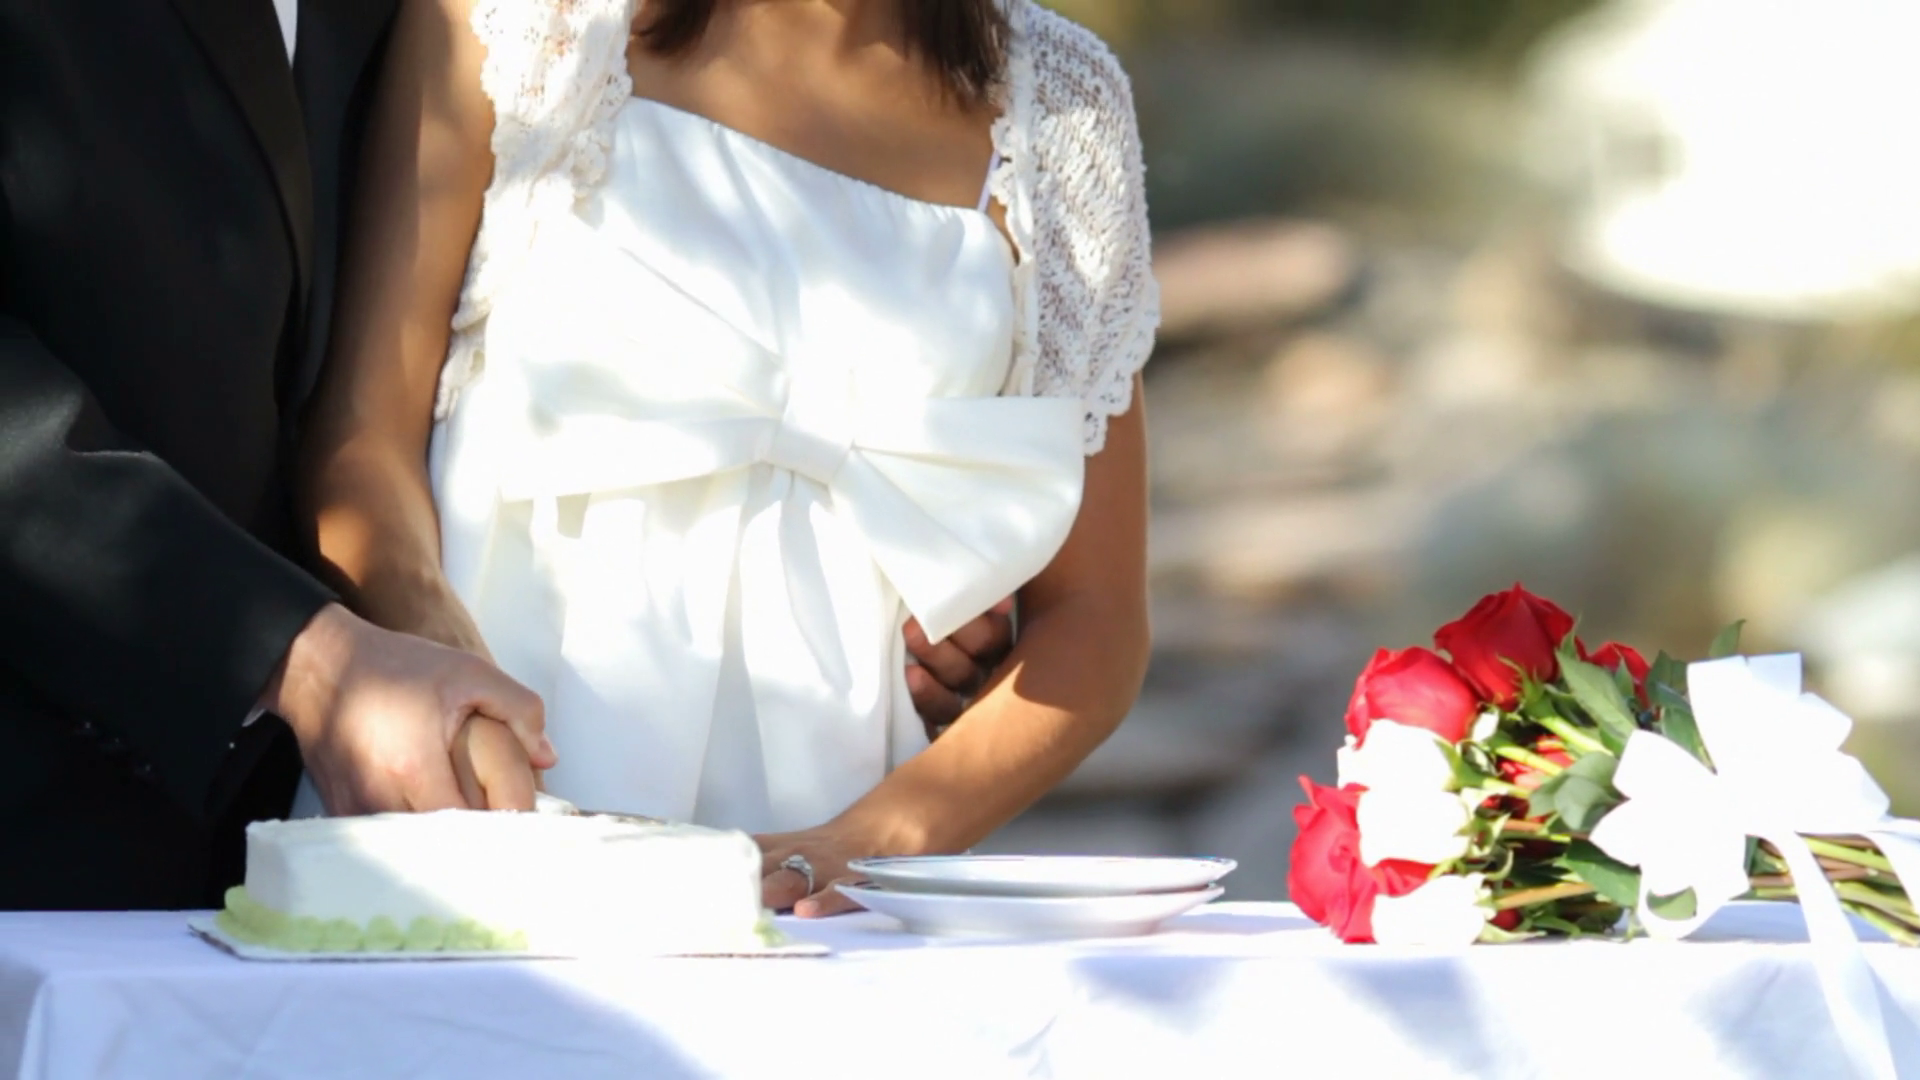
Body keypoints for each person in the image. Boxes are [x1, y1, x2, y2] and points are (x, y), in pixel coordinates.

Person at [0, 0, 1000, 911]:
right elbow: (358, 425)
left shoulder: (1029, 106)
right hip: (118, 781)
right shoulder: (522, 27)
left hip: (778, 811)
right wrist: (331, 657)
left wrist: (965, 573)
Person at [304, 0, 1158, 915]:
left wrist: (875, 841)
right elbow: (360, 443)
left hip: (814, 892)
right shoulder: (527, 20)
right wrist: (452, 693)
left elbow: (1096, 619)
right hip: (474, 807)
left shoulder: (1061, 107)